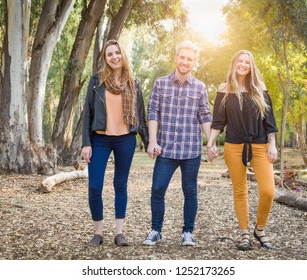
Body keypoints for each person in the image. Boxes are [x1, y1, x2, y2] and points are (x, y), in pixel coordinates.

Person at [142, 40, 212, 246]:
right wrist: (152, 141)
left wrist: (211, 143)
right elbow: (153, 112)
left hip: (191, 149)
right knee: (157, 189)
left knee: (190, 191)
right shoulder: (160, 83)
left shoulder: (200, 87)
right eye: (182, 57)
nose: (185, 61)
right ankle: (156, 230)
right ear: (176, 58)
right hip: (165, 149)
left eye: (190, 59)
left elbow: (205, 116)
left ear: (194, 62)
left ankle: (187, 232)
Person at [207, 50, 278, 250]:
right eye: (240, 60)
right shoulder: (224, 89)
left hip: (259, 144)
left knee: (268, 191)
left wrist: (272, 144)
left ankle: (260, 229)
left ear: (251, 66)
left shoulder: (260, 88)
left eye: (247, 62)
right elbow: (218, 122)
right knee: (240, 191)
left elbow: (269, 121)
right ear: (234, 63)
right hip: (234, 145)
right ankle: (244, 232)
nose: (243, 64)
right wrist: (211, 143)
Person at [81, 39, 149, 247]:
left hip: (125, 139)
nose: (114, 57)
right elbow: (87, 115)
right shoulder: (95, 82)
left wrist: (149, 143)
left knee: (120, 185)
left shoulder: (133, 83)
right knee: (94, 186)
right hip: (99, 139)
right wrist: (86, 143)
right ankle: (98, 233)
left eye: (117, 53)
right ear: (105, 58)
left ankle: (119, 233)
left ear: (123, 55)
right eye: (110, 54)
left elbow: (141, 117)